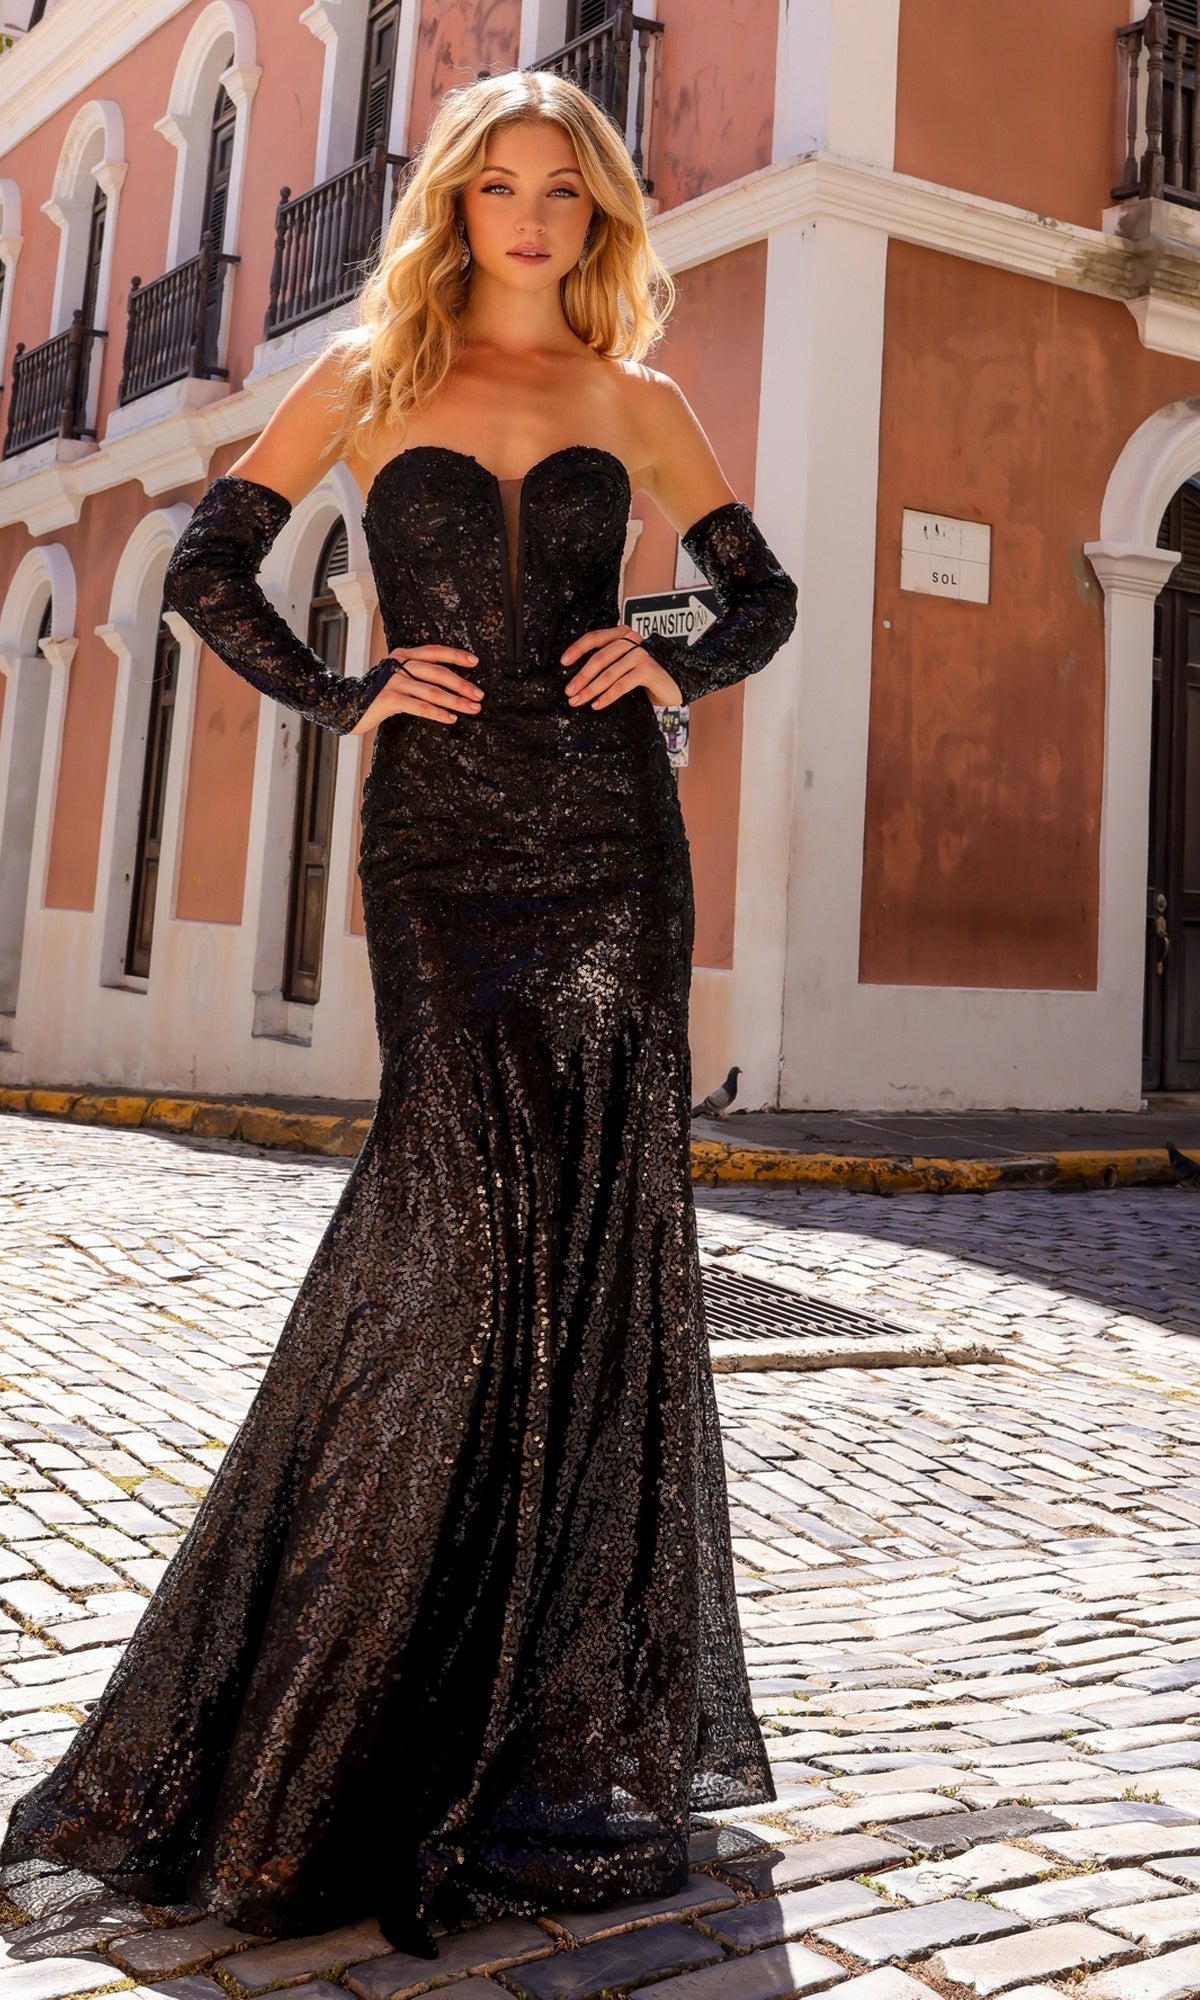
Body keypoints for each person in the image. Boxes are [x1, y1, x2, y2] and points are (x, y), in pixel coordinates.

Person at [0, 69, 796, 1956]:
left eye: (563, 192)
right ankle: (349, 1689)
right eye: (499, 184)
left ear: (599, 218)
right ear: (455, 200)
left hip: (610, 847)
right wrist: (352, 694)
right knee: (441, 1231)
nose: (529, 215)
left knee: (593, 1231)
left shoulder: (641, 401)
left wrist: (661, 647)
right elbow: (206, 570)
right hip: (439, 847)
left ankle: (550, 1713)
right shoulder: (366, 373)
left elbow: (757, 600)